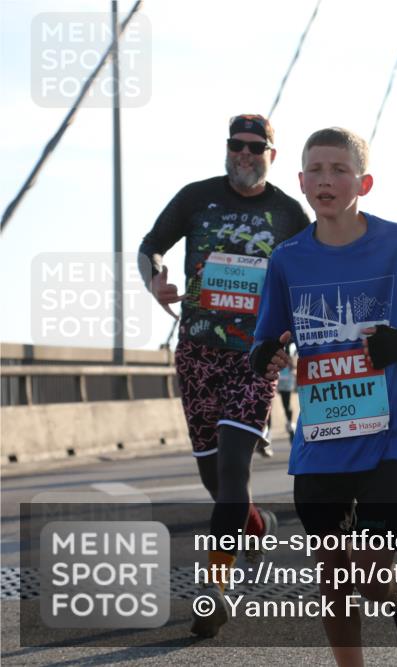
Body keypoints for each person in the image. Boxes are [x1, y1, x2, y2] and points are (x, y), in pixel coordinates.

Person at [252, 126, 397, 666]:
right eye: (316, 171)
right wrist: (265, 355)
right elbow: (268, 336)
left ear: (363, 182)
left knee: (371, 578)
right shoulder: (287, 259)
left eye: (339, 170)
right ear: (300, 181)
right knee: (332, 571)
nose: (327, 180)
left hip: (390, 437)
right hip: (321, 437)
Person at [138, 113, 310, 637]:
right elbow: (151, 246)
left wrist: (293, 341)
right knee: (216, 479)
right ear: (227, 148)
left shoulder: (289, 213)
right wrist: (155, 280)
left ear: (271, 156)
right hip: (197, 353)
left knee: (235, 468)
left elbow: (311, 279)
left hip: (254, 357)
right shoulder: (197, 197)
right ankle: (254, 523)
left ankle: (214, 589)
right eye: (237, 145)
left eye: (256, 147)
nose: (245, 154)